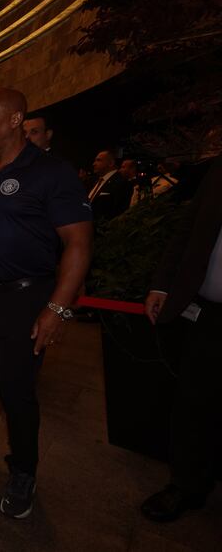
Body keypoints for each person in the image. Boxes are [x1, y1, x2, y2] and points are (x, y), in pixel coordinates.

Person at [0, 88, 93, 519]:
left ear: (16, 120)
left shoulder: (51, 173)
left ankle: (23, 472)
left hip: (28, 297)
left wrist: (57, 309)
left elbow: (77, 243)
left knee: (17, 390)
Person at [141, 156, 222, 523]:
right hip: (208, 312)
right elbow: (189, 227)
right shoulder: (220, 168)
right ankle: (187, 484)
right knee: (194, 401)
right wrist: (163, 283)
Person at [89, 149, 132, 221]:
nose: (94, 164)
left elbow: (119, 213)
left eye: (98, 160)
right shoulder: (96, 181)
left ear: (111, 163)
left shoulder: (120, 183)